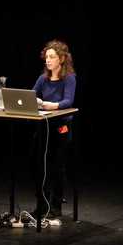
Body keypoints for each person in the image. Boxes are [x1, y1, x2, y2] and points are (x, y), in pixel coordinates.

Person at [31, 39, 76, 218]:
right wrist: (35, 102)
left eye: (52, 57)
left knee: (57, 166)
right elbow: (31, 95)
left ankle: (56, 205)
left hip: (61, 126)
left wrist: (53, 105)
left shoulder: (69, 78)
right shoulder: (43, 78)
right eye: (46, 57)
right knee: (40, 165)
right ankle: (42, 204)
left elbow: (68, 101)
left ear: (61, 59)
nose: (48, 60)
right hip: (44, 125)